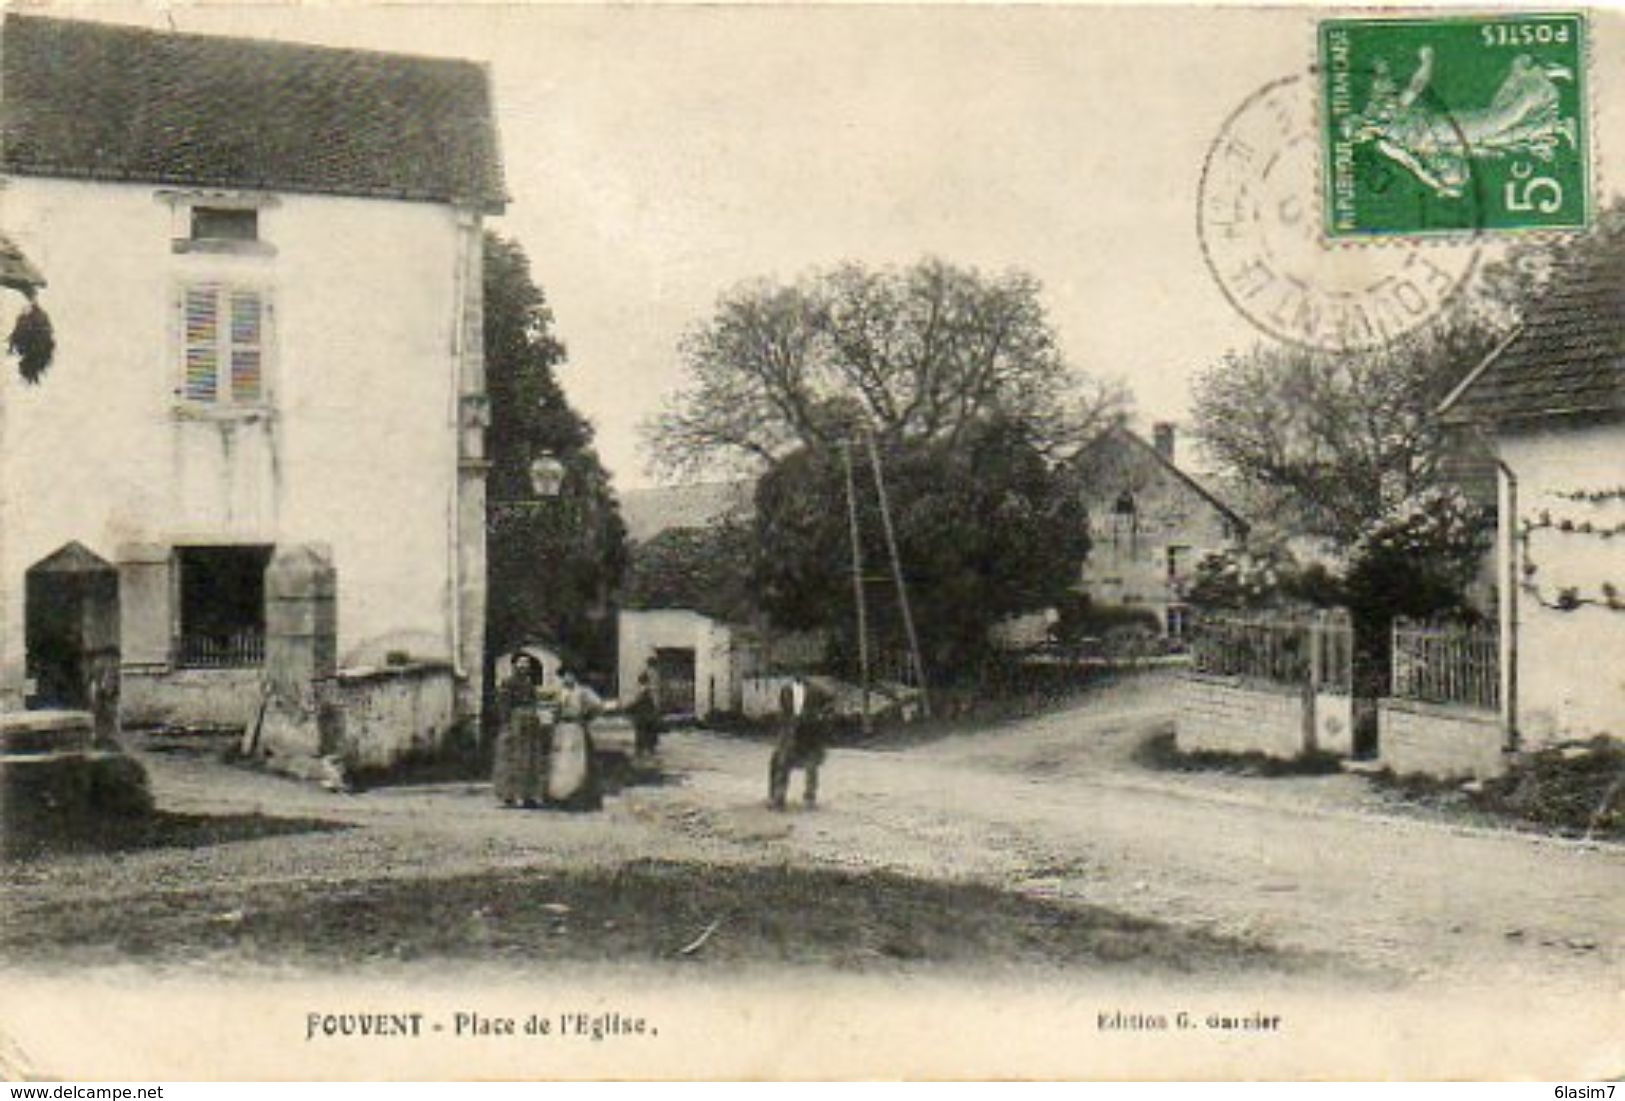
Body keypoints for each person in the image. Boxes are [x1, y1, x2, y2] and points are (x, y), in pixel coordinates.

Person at [492, 653, 550, 808]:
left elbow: (534, 703)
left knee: (531, 759)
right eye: (521, 663)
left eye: (526, 664)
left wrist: (535, 717)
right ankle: (510, 796)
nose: (524, 666)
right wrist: (507, 723)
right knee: (513, 759)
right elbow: (504, 704)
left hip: (530, 722)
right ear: (514, 665)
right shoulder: (507, 683)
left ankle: (529, 796)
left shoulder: (529, 684)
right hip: (514, 722)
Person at [548, 668, 606, 812]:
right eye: (565, 676)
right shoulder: (561, 692)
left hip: (576, 729)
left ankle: (577, 797)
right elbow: (555, 710)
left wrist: (586, 717)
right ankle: (560, 797)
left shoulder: (583, 691)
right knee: (561, 762)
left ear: (575, 677)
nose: (567, 678)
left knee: (577, 762)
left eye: (571, 675)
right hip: (562, 729)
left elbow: (598, 705)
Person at [769, 674, 829, 811]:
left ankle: (810, 799)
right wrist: (784, 725)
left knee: (811, 765)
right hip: (791, 732)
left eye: (803, 671)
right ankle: (779, 798)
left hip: (810, 731)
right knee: (783, 763)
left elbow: (830, 703)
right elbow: (783, 710)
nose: (799, 674)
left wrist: (821, 716)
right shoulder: (786, 689)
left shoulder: (817, 690)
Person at [628, 665, 665, 759]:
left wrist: (628, 708)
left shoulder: (644, 691)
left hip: (643, 717)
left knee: (641, 734)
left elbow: (638, 702)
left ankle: (641, 752)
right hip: (648, 716)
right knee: (648, 734)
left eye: (640, 681)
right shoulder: (649, 690)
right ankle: (648, 750)